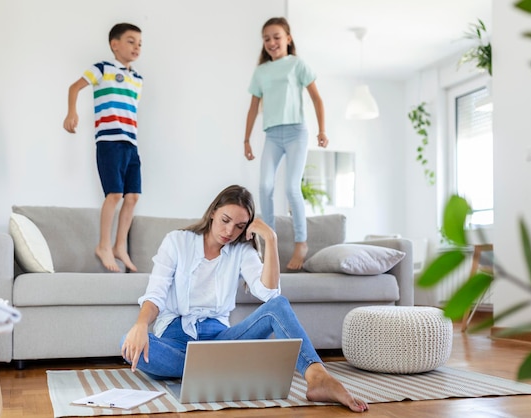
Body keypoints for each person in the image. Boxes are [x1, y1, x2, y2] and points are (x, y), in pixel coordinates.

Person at [121, 185, 368, 412]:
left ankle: (318, 377)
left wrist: (270, 239)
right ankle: (217, 369)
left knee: (278, 306)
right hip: (174, 339)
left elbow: (271, 295)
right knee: (129, 345)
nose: (230, 231)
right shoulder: (177, 241)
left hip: (219, 341)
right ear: (213, 213)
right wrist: (141, 325)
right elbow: (156, 293)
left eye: (239, 226)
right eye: (225, 221)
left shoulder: (241, 250)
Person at [243, 17, 328, 271]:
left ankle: (301, 243)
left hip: (296, 133)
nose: (271, 42)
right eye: (266, 38)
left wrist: (322, 130)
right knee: (265, 185)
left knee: (292, 187)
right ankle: (269, 242)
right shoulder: (261, 72)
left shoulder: (297, 65)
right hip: (272, 135)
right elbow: (252, 108)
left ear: (288, 38)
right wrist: (246, 139)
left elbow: (317, 99)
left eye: (276, 37)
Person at [63, 23, 143, 273]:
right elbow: (74, 87)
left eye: (140, 43)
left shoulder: (137, 78)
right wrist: (72, 112)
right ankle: (103, 245)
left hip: (131, 143)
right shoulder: (102, 69)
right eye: (131, 41)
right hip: (109, 141)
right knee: (114, 195)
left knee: (132, 196)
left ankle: (121, 246)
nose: (136, 47)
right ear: (114, 44)